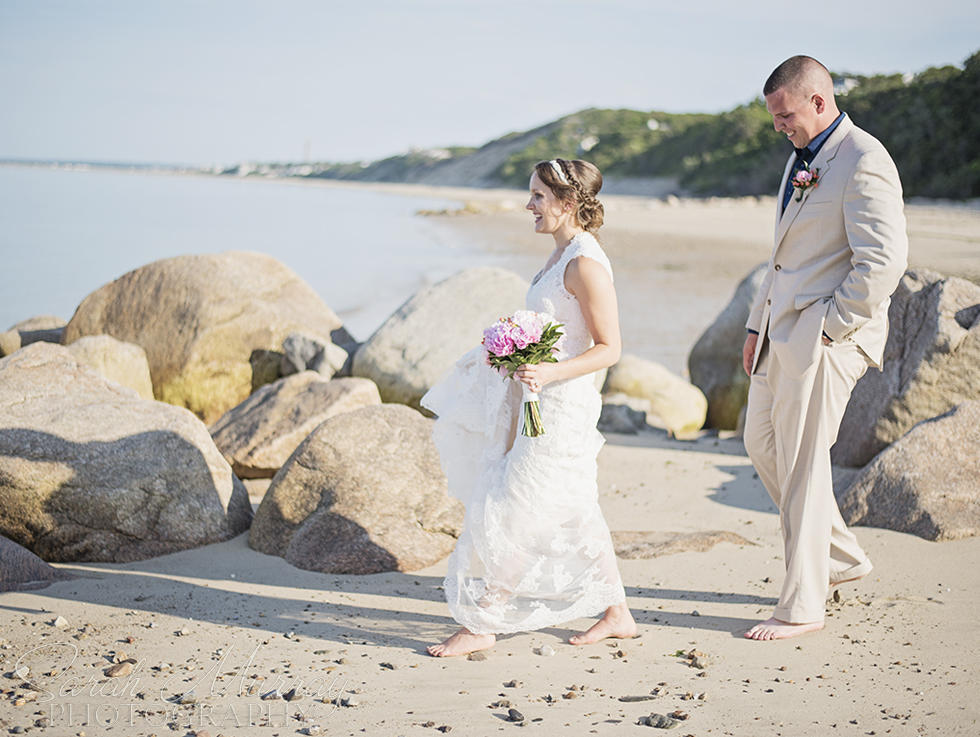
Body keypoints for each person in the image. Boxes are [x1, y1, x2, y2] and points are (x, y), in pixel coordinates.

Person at [421, 158, 636, 657]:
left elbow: (610, 348)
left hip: (561, 407)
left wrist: (548, 372)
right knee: (573, 507)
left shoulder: (585, 263)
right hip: (539, 401)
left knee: (516, 507)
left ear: (568, 202)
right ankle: (617, 613)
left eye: (538, 195)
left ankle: (484, 621)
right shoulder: (560, 255)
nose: (528, 205)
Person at [742, 56, 908, 640]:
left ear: (818, 101)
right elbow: (783, 258)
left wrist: (830, 329)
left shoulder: (864, 159)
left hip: (824, 338)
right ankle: (840, 556)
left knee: (804, 466)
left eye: (785, 114)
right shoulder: (801, 157)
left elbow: (883, 262)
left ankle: (802, 605)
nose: (779, 126)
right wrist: (755, 326)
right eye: (774, 117)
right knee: (761, 443)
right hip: (779, 331)